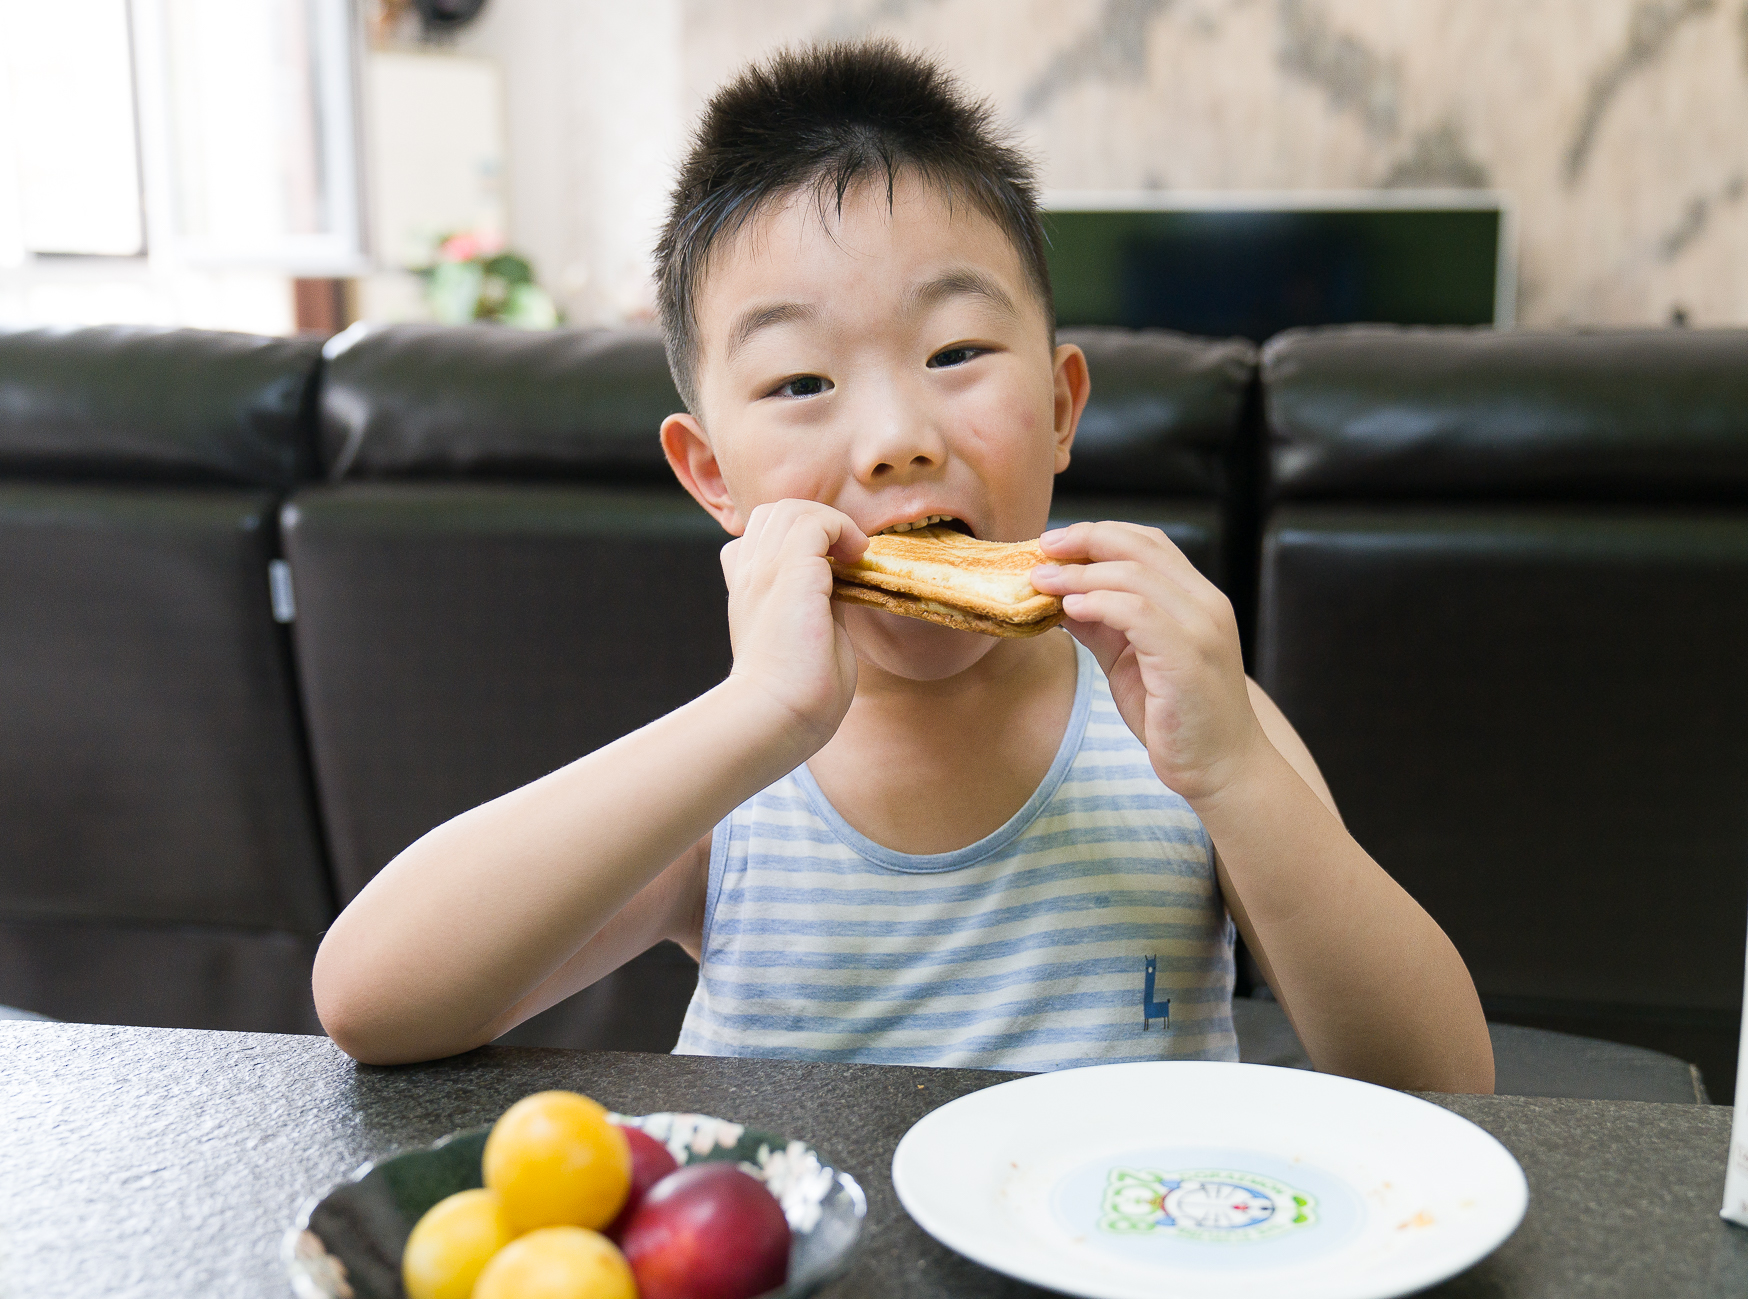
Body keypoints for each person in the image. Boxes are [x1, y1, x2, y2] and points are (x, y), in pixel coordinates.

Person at [313, 40, 1494, 1092]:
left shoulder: (1190, 732)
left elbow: (1441, 1082)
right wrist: (754, 719)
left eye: (958, 350)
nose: (896, 438)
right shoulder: (730, 782)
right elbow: (372, 1004)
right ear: (713, 475)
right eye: (800, 382)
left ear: (1061, 402)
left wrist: (1234, 772)